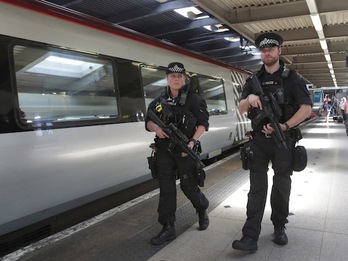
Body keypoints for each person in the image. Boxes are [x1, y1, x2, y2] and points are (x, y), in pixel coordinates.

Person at [232, 32, 312, 252]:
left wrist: (286, 126)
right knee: (257, 188)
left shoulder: (291, 78)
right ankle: (250, 237)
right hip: (258, 141)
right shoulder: (253, 80)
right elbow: (240, 109)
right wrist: (248, 99)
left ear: (279, 51)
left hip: (283, 139)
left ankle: (279, 226)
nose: (267, 52)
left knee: (281, 186)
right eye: (263, 50)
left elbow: (306, 109)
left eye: (271, 49)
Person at [145, 62, 210, 245]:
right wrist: (156, 128)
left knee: (189, 186)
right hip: (164, 151)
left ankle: (202, 209)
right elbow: (148, 119)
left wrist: (192, 142)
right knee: (166, 190)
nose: (176, 79)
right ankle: (168, 227)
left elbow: (203, 123)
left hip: (184, 150)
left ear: (184, 78)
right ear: (167, 79)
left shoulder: (193, 99)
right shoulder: (159, 100)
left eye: (179, 76)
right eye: (172, 76)